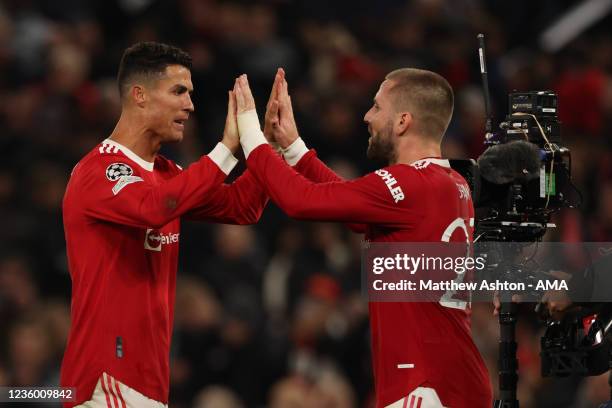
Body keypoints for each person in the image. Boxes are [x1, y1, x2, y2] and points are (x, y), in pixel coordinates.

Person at [233, 69, 493, 407]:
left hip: (424, 385)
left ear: (402, 121)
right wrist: (293, 147)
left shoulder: (410, 184)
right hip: (451, 378)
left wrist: (251, 134)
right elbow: (350, 206)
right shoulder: (449, 181)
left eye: (376, 106)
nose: (367, 116)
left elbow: (301, 201)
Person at [60, 42, 268, 408]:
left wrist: (269, 147)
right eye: (178, 91)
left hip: (148, 383)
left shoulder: (165, 174)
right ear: (139, 95)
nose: (189, 105)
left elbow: (242, 207)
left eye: (190, 93)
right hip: (106, 380)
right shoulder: (99, 171)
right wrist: (225, 148)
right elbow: (153, 209)